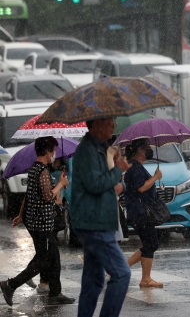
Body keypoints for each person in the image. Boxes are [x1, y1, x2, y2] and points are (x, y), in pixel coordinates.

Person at [0, 137, 74, 306]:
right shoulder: (42, 171)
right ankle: (10, 284)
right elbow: (48, 196)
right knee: (44, 260)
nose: (55, 154)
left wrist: (20, 215)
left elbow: (30, 196)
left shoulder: (35, 168)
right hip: (42, 224)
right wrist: (61, 183)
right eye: (54, 151)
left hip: (38, 222)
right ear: (47, 151)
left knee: (53, 257)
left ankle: (56, 292)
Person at [71, 117, 132, 317]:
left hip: (96, 220)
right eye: (110, 121)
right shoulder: (87, 150)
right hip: (94, 222)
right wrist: (117, 170)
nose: (114, 126)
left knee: (93, 280)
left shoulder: (98, 149)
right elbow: (94, 184)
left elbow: (101, 185)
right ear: (97, 124)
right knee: (122, 273)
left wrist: (116, 174)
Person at [124, 139, 164, 288]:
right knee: (151, 243)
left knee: (150, 243)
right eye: (147, 147)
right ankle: (144, 278)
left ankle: (143, 277)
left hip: (139, 212)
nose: (149, 150)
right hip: (140, 212)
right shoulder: (135, 168)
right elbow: (141, 188)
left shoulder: (136, 167)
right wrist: (155, 177)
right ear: (140, 150)